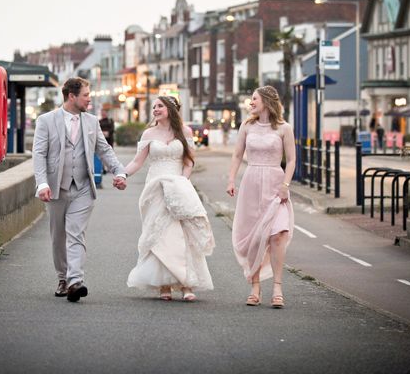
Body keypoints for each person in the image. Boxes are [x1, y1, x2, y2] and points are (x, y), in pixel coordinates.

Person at [33, 77, 128, 303]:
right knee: (58, 236)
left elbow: (104, 150)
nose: (89, 99)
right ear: (71, 96)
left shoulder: (92, 121)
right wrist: (42, 183)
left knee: (76, 232)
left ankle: (75, 281)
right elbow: (39, 154)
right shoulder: (46, 120)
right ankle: (62, 278)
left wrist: (119, 171)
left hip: (83, 187)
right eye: (86, 95)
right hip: (56, 187)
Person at [124, 96, 215, 302]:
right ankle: (163, 285)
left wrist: (182, 183)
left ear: (171, 109)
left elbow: (189, 162)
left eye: (160, 106)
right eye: (154, 106)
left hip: (178, 186)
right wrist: (122, 174)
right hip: (154, 189)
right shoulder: (149, 133)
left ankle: (186, 284)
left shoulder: (185, 132)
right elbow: (137, 162)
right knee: (159, 234)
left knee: (181, 235)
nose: (155, 109)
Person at [226, 86, 295, 308]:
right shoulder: (246, 126)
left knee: (278, 234)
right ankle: (255, 287)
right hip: (251, 183)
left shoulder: (284, 128)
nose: (251, 103)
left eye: (254, 99)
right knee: (255, 238)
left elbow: (292, 160)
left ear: (266, 100)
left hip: (276, 184)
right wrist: (231, 180)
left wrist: (285, 184)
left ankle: (277, 286)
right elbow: (237, 155)